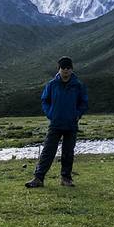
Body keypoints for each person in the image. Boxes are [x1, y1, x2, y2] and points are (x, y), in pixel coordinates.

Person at [25, 56, 89, 188]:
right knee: (48, 151)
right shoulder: (52, 84)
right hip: (55, 123)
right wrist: (50, 114)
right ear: (59, 69)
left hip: (71, 124)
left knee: (68, 152)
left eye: (68, 68)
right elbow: (45, 100)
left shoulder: (78, 85)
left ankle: (66, 178)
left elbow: (83, 102)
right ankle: (38, 178)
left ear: (72, 69)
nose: (65, 70)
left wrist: (77, 114)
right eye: (63, 68)